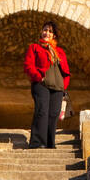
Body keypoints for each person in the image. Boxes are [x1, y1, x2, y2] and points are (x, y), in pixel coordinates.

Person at [23, 20, 71, 149]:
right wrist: (39, 77)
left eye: (50, 31)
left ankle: (50, 143)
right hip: (41, 84)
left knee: (53, 114)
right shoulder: (34, 47)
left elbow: (66, 71)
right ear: (41, 31)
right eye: (45, 30)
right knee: (42, 111)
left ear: (54, 35)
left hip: (57, 87)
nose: (47, 33)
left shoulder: (59, 52)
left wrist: (64, 86)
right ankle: (37, 142)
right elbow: (28, 66)